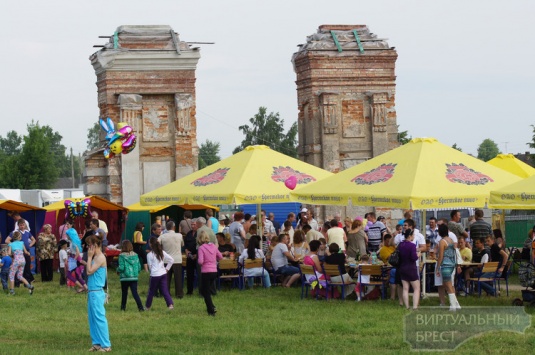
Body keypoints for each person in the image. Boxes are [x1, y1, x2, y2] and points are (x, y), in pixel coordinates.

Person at [86, 235, 111, 352]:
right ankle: (96, 343)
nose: (88, 247)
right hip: (92, 292)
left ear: (95, 245)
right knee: (92, 319)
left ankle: (106, 345)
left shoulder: (100, 257)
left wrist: (89, 257)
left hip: (96, 292)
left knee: (100, 318)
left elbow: (89, 271)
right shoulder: (95, 257)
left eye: (89, 245)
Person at [197, 230, 223, 316]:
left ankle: (211, 309)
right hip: (214, 271)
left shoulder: (201, 248)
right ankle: (212, 306)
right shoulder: (214, 246)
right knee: (207, 290)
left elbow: (200, 261)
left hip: (206, 271)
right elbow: (220, 257)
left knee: (205, 292)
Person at [436, 224, 461, 311]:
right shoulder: (450, 240)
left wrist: (437, 268)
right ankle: (456, 304)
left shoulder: (442, 242)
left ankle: (453, 306)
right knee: (449, 284)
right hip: (452, 264)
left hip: (445, 265)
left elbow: (440, 256)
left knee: (448, 285)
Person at [145, 237, 174, 310]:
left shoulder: (149, 255)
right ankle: (170, 305)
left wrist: (153, 272)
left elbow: (150, 266)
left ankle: (147, 306)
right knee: (165, 290)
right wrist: (166, 269)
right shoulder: (162, 252)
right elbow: (171, 260)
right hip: (163, 273)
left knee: (151, 291)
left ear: (151, 245)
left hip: (154, 275)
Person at [158, 221, 184, 299]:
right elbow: (182, 244)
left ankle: (165, 293)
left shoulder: (162, 236)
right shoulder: (179, 235)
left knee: (166, 279)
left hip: (166, 260)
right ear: (174, 227)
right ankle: (179, 294)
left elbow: (156, 243)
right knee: (178, 278)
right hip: (177, 260)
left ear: (166, 228)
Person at [117, 240, 144, 312]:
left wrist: (117, 270)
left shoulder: (121, 256)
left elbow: (121, 267)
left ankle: (123, 308)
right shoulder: (136, 255)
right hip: (134, 277)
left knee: (124, 293)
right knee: (135, 293)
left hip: (125, 277)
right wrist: (136, 273)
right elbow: (139, 267)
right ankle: (140, 307)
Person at [6, 219, 35, 285]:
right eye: (20, 225)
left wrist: (29, 245)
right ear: (18, 225)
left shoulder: (27, 232)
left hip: (26, 251)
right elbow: (7, 240)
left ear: (25, 225)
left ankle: (27, 282)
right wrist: (14, 246)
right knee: (16, 268)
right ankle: (16, 283)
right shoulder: (15, 232)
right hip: (18, 253)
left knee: (27, 267)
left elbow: (33, 240)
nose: (22, 226)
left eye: (23, 225)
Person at [398, 229, 420, 310]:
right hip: (411, 268)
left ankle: (407, 306)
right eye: (413, 235)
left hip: (402, 268)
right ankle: (414, 307)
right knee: (416, 288)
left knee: (405, 288)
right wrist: (418, 255)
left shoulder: (401, 244)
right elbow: (413, 258)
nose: (414, 237)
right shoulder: (412, 245)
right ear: (410, 236)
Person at [7, 231, 35, 295]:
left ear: (13, 238)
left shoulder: (10, 244)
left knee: (11, 275)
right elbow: (25, 252)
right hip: (23, 261)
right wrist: (28, 253)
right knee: (19, 276)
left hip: (16, 261)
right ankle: (29, 286)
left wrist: (12, 254)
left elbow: (9, 253)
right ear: (20, 237)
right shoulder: (22, 243)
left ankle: (12, 291)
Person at [184, 219, 198, 295]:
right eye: (192, 224)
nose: (193, 226)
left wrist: (197, 254)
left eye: (194, 224)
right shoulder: (189, 233)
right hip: (189, 256)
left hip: (198, 256)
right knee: (189, 274)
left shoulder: (200, 233)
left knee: (199, 274)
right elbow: (185, 244)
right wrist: (186, 250)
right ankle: (189, 291)